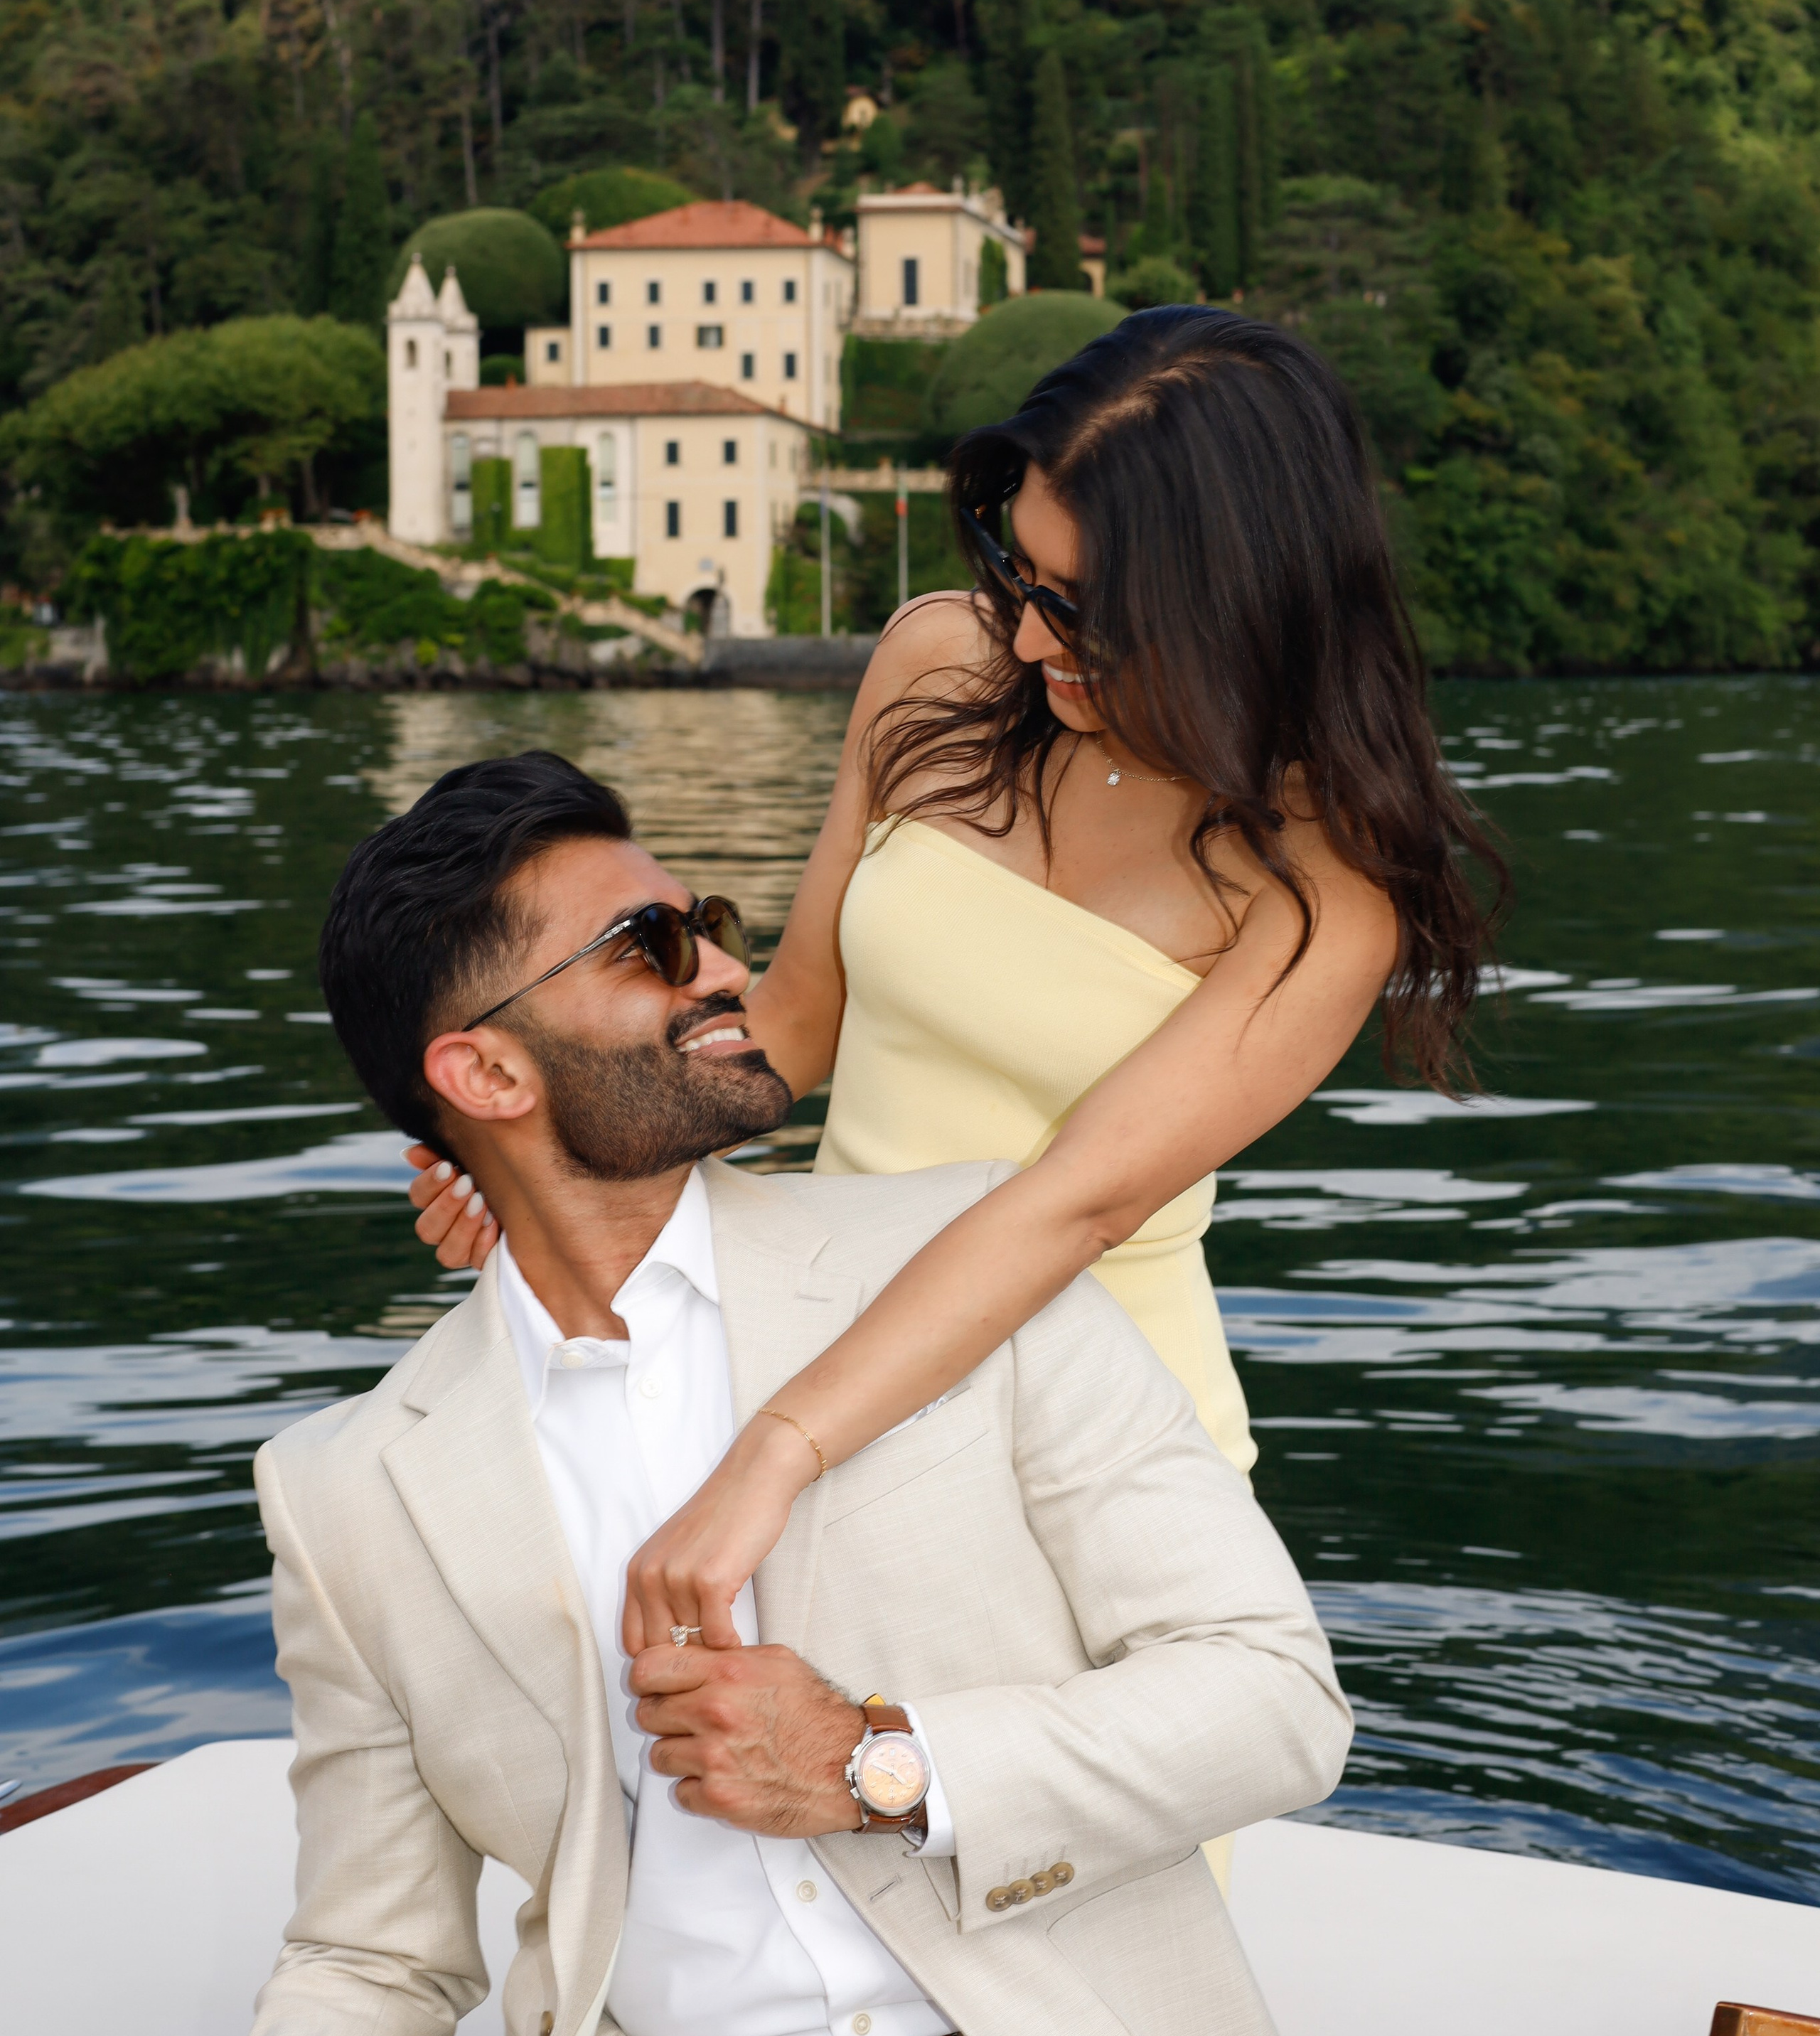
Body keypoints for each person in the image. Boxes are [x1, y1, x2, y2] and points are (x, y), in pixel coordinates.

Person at [210, 751, 1351, 2036]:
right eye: (647, 946)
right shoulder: (347, 1490)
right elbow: (370, 1958)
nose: (722, 970)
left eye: (709, 924)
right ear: (487, 1071)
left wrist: (877, 1764)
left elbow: (1274, 1698)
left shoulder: (972, 1266)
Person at [407, 311, 1503, 1681]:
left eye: (1083, 606)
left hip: (1089, 1457)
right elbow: (794, 1020)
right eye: (1016, 570)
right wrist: (560, 1166)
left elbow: (1073, 1206)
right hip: (821, 1368)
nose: (1031, 632)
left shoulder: (1325, 886)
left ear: (1236, 602)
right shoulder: (939, 664)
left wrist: (777, 1447)